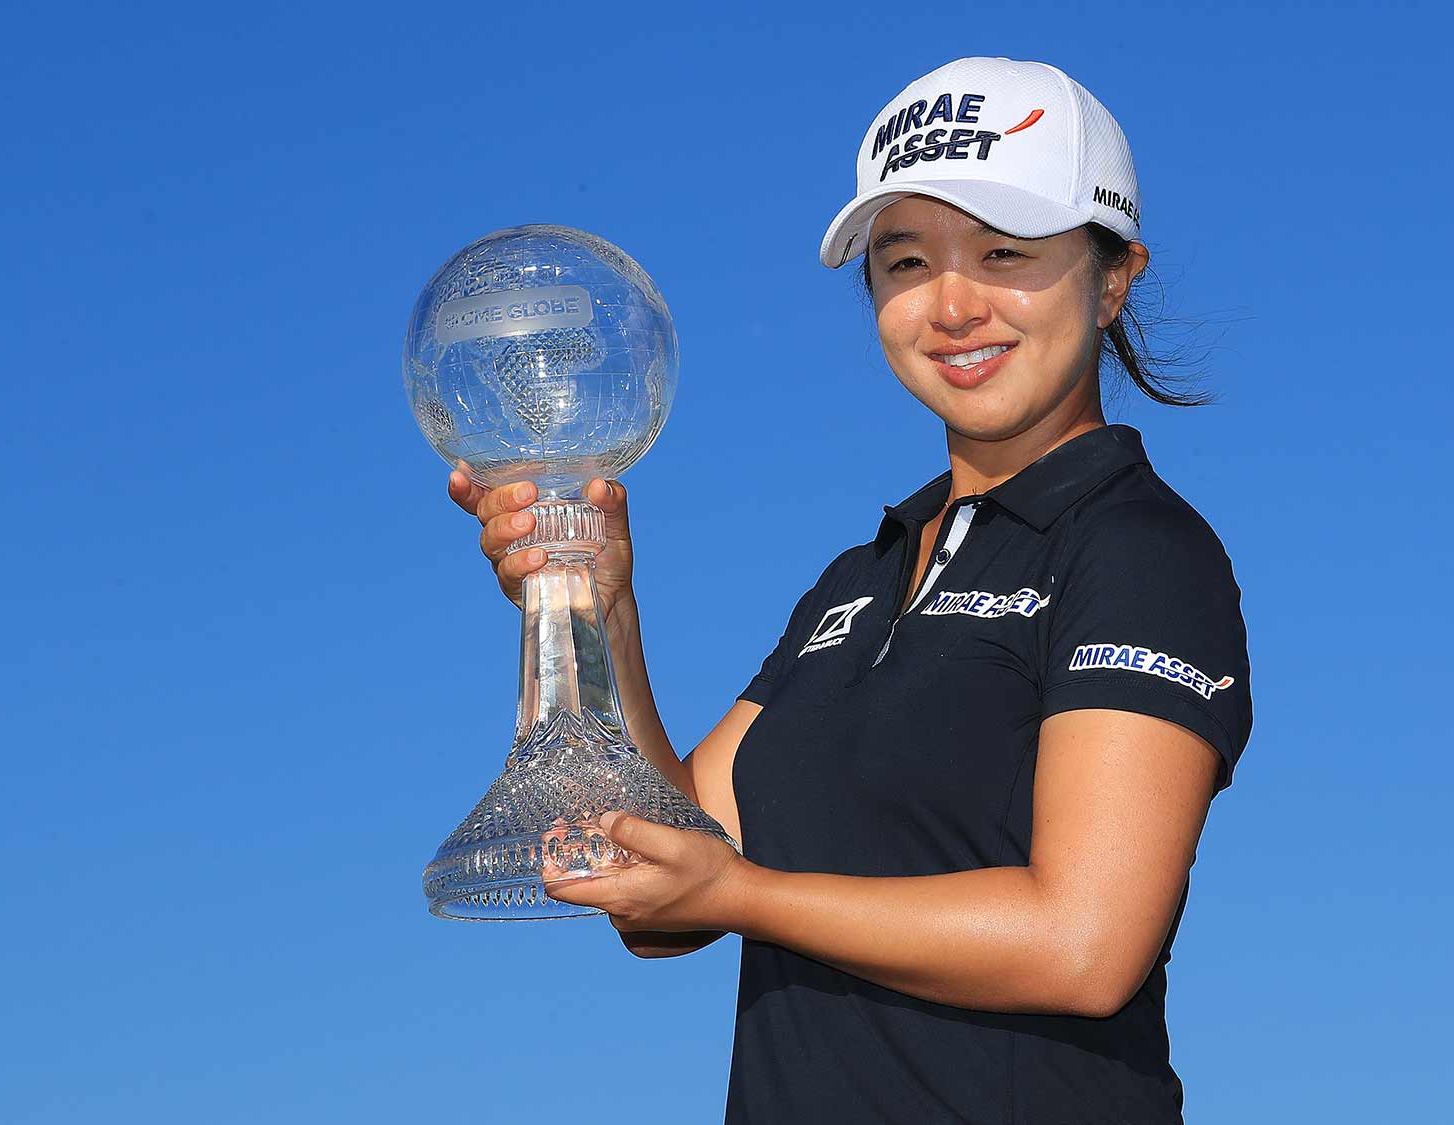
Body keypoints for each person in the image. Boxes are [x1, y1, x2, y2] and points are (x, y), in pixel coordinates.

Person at [447, 56, 1253, 1125]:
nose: (951, 304)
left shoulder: (1137, 548)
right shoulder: (861, 578)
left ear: (1112, 279)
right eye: (904, 260)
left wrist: (743, 897)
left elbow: (1083, 944)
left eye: (1004, 252)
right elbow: (663, 896)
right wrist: (603, 612)